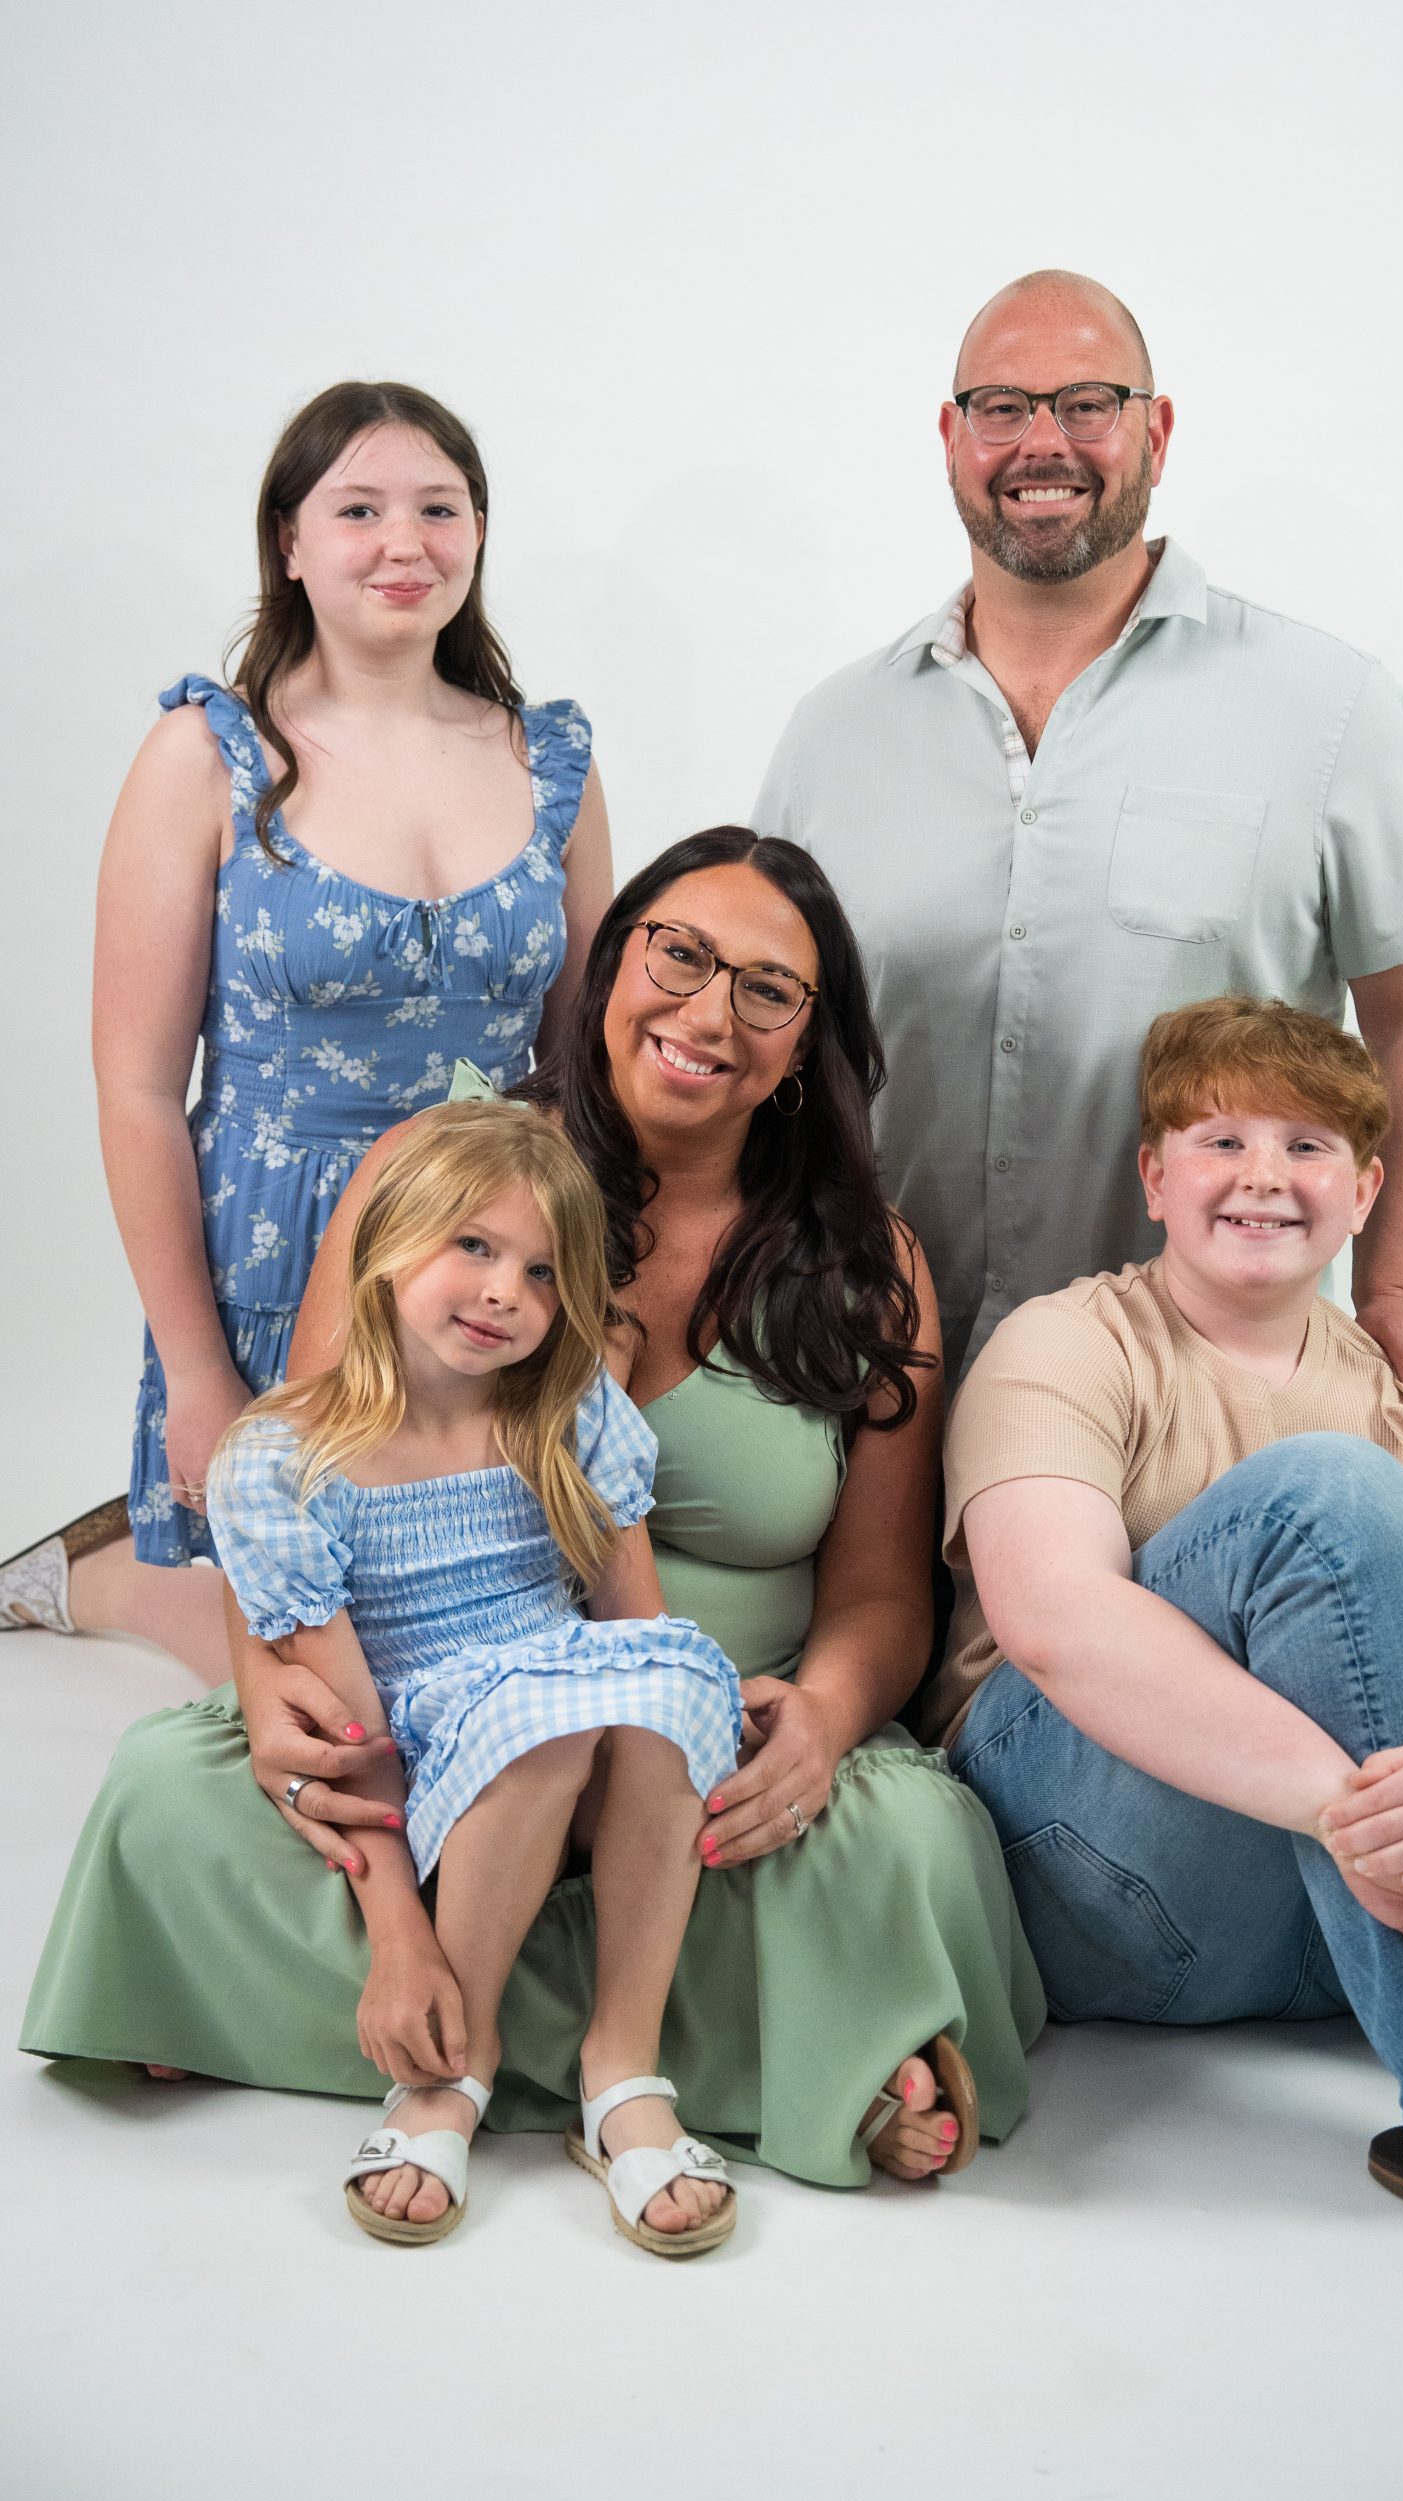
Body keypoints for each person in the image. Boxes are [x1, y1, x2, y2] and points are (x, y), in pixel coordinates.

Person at [22, 829, 1044, 2191]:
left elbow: (879, 1594)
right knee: (165, 1796)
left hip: (701, 1755)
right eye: (679, 955)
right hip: (422, 1707)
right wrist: (273, 1702)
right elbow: (311, 1469)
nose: (708, 1013)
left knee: (912, 1846)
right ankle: (790, 2039)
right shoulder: (443, 1170)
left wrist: (824, 1721)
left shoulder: (868, 1263)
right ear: (608, 965)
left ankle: (318, 2015)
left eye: (766, 990)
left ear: (807, 1044)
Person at [927, 994, 1403, 2315]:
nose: (1263, 1176)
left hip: (1354, 1896)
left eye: (1304, 1147)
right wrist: (1357, 1813)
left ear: (1364, 1190)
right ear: (1154, 1177)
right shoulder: (1068, 1343)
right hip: (1103, 1872)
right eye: (1221, 1140)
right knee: (1332, 1497)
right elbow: (1055, 1623)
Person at [752, 269, 1403, 1424]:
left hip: (1203, 1395)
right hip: (867, 1374)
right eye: (1003, 406)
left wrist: (1389, 1284)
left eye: (1088, 403)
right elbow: (759, 1027)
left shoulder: (1324, 708)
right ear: (951, 436)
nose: (1043, 441)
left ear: (1156, 430)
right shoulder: (835, 732)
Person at [0, 380, 611, 1680]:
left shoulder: (550, 760)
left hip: (483, 1253)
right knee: (325, 1669)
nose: (405, 544)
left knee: (455, 1625)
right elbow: (136, 1089)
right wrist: (196, 1372)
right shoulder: (207, 757)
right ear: (289, 540)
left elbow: (583, 1066)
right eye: (360, 510)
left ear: (479, 530)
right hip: (277, 1243)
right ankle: (105, 1579)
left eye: (438, 509)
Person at [207, 1100, 744, 2253]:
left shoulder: (568, 1415)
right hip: (437, 1744)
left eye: (542, 1272)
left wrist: (680, 1721)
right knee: (544, 1727)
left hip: (573, 1724)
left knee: (658, 1688)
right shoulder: (288, 1458)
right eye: (475, 1246)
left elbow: (637, 1633)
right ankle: (453, 2068)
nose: (507, 1292)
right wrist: (397, 1933)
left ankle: (622, 2068)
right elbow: (352, 1730)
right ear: (389, 1241)